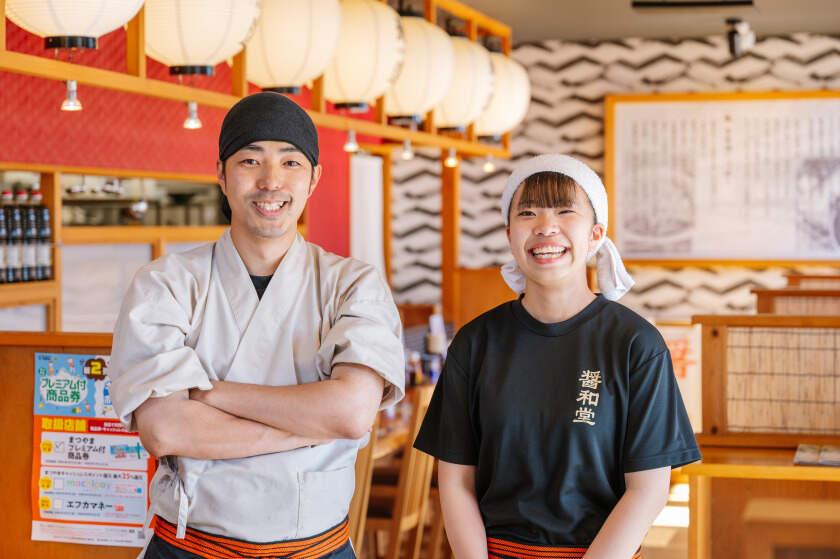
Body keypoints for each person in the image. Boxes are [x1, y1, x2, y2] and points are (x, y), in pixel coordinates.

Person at [109, 92, 405, 559]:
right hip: (191, 549)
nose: (271, 181)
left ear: (313, 180)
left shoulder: (353, 284)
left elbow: (350, 414)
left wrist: (212, 393)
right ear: (222, 176)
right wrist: (316, 424)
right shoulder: (165, 283)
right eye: (250, 160)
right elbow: (166, 429)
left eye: (291, 163)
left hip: (318, 549)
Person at [414, 154, 700, 559]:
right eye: (528, 213)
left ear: (596, 234)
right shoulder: (475, 343)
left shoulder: (636, 344)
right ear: (510, 233)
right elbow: (457, 482)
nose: (546, 227)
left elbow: (648, 490)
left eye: (566, 211)